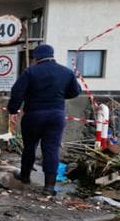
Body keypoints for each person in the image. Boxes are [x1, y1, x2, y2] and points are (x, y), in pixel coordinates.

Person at [7, 44, 81, 196]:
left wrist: (13, 109)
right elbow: (75, 91)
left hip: (34, 115)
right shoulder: (66, 72)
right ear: (52, 55)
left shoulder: (30, 72)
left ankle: (25, 176)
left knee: (30, 147)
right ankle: (49, 187)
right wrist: (59, 96)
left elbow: (17, 92)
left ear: (36, 58)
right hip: (56, 115)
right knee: (52, 149)